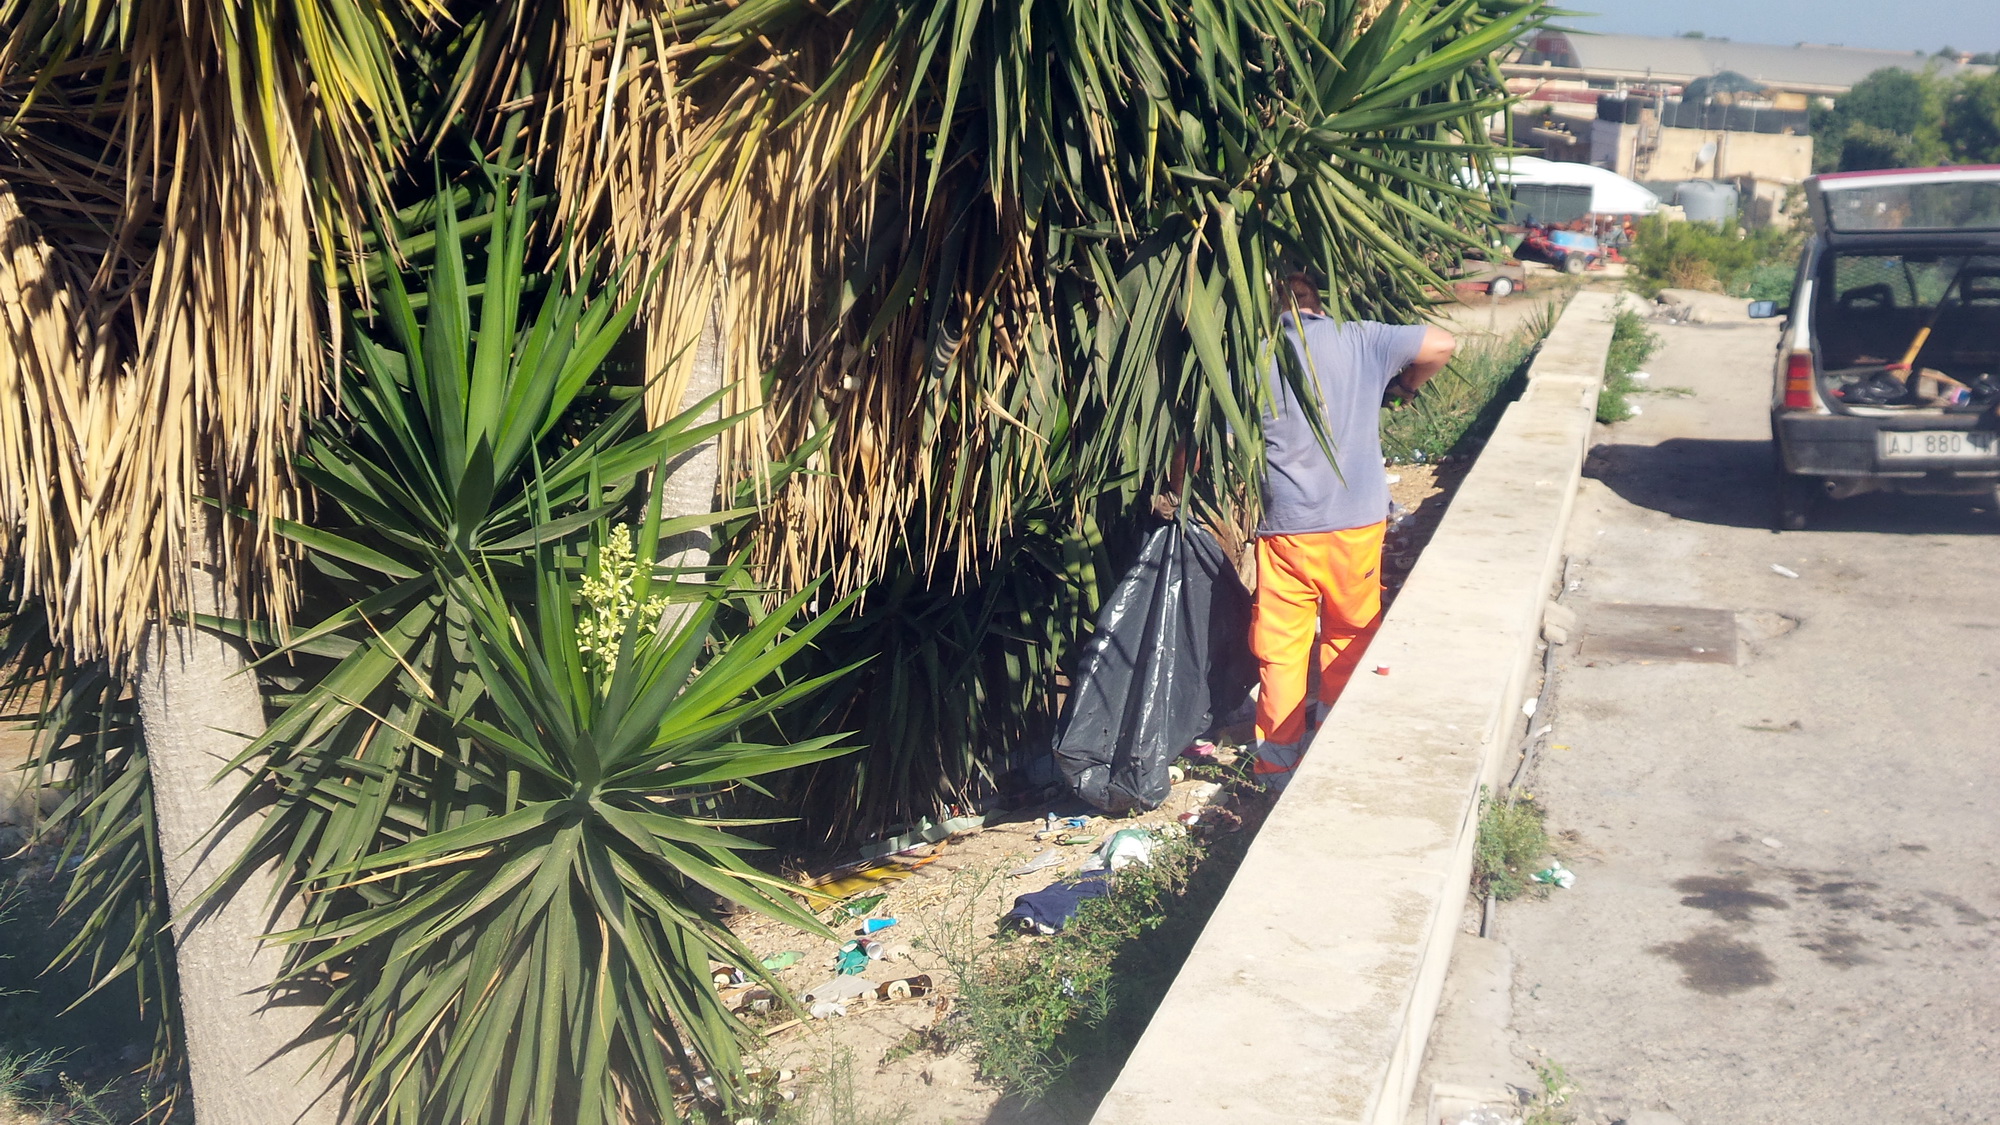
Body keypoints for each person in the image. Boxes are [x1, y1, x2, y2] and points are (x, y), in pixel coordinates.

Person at [1249, 272, 1455, 790]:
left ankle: (1276, 765)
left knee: (1282, 648)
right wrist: (1405, 385)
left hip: (1285, 528)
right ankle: (1334, 746)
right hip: (1355, 523)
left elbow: (1205, 441)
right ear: (1318, 293)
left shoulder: (1248, 354)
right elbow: (1441, 343)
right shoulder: (1360, 337)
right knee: (1348, 634)